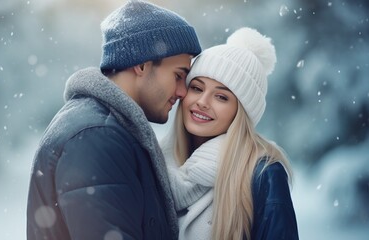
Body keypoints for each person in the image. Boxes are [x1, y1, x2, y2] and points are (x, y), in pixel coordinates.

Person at [26, 1, 201, 239]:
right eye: (178, 75)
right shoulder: (96, 138)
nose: (182, 92)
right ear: (141, 65)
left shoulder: (106, 129)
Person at [160, 27, 299, 240]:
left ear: (240, 112)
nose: (202, 102)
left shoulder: (263, 173)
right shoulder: (157, 160)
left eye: (221, 97)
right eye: (197, 88)